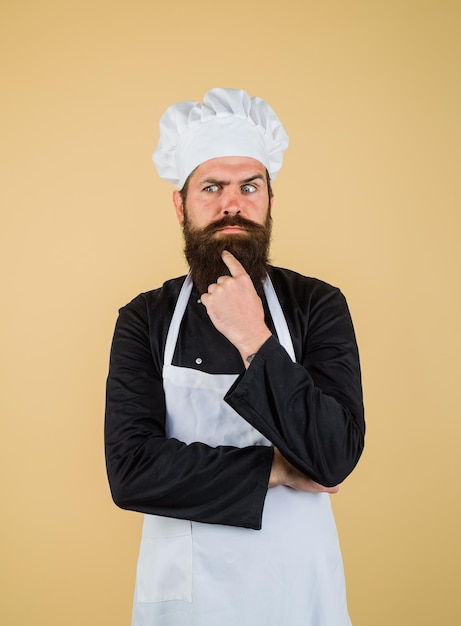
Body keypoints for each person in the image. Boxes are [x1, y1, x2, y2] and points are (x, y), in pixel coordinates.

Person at [105, 87, 365, 626]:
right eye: (212, 187)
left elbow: (335, 456)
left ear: (269, 198)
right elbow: (132, 472)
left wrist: (254, 338)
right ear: (180, 204)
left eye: (250, 186)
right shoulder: (144, 319)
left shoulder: (318, 304)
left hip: (299, 593)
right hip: (187, 599)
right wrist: (279, 468)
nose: (233, 203)